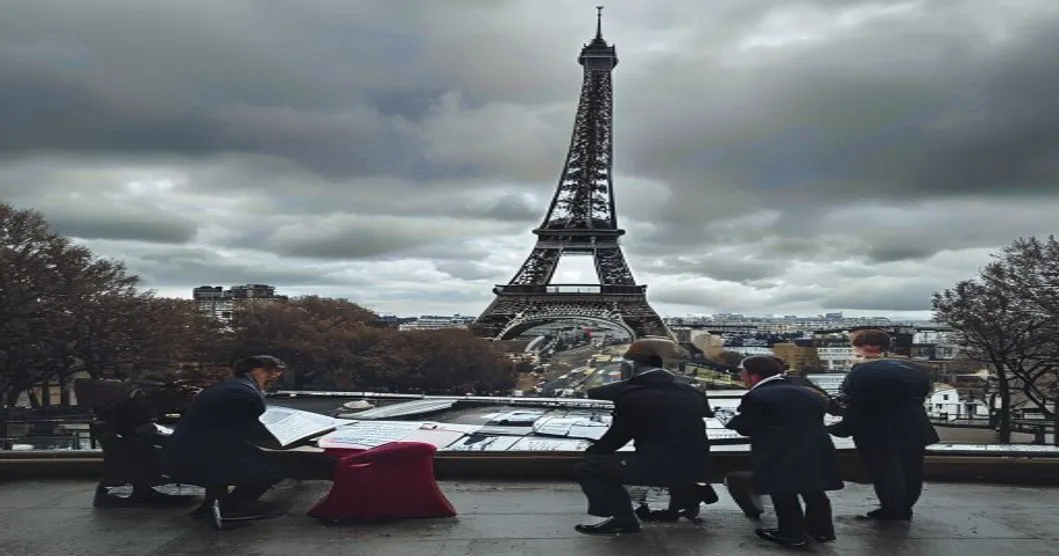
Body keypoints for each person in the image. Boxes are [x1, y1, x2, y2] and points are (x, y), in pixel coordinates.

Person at [572, 337, 712, 535]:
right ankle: (686, 498)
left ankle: (623, 520)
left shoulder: (630, 394)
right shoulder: (692, 392)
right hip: (698, 466)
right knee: (672, 452)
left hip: (659, 468)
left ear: (630, 366)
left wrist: (592, 452)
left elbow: (617, 437)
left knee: (589, 467)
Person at [724, 355, 843, 548]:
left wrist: (728, 419)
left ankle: (791, 534)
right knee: (813, 490)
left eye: (743, 373)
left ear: (754, 376)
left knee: (783, 491)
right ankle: (821, 531)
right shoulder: (808, 392)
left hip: (779, 450)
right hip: (815, 446)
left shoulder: (757, 396)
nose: (742, 377)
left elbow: (745, 427)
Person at [828, 328, 939, 521]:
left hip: (877, 429)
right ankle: (905, 508)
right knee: (912, 469)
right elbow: (924, 394)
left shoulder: (861, 371)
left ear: (864, 347)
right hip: (915, 424)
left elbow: (853, 403)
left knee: (885, 470)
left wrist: (843, 427)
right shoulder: (915, 368)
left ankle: (892, 509)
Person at [161, 355, 288, 519]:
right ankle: (234, 506)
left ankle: (214, 504)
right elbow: (250, 430)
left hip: (188, 452)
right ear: (255, 371)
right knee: (279, 465)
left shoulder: (232, 386)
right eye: (272, 371)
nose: (275, 376)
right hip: (201, 456)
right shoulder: (242, 392)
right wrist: (284, 443)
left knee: (250, 458)